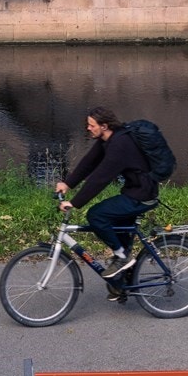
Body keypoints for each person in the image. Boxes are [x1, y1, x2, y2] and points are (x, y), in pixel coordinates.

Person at [55, 105, 157, 279]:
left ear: (104, 126)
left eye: (91, 125)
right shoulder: (108, 139)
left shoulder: (120, 145)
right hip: (134, 191)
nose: (88, 128)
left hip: (142, 195)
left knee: (97, 215)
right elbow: (89, 162)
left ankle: (122, 258)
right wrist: (68, 183)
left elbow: (100, 178)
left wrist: (74, 202)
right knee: (119, 232)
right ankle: (123, 283)